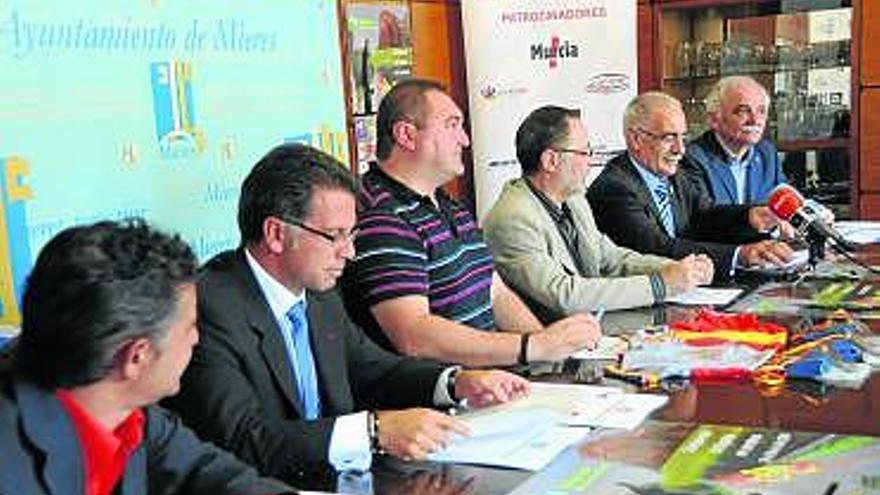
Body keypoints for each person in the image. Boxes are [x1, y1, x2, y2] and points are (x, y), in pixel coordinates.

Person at [165, 143, 529, 488]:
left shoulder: (320, 294)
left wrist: (455, 382)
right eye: (334, 235)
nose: (350, 252)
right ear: (276, 234)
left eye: (351, 234)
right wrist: (373, 431)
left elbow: (373, 369)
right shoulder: (209, 308)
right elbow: (244, 439)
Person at [0, 220, 293, 495]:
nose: (197, 339)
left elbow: (211, 474)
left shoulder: (135, 414)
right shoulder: (11, 467)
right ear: (136, 357)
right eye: (190, 327)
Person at [342, 78, 601, 367]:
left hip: (495, 384)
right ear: (406, 135)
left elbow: (495, 292)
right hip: (443, 398)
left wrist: (551, 356)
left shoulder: (448, 204)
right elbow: (414, 335)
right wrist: (532, 346)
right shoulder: (380, 218)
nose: (465, 140)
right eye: (452, 125)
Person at [482, 105, 714, 323]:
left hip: (592, 331)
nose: (590, 162)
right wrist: (661, 284)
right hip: (550, 346)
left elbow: (611, 259)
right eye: (584, 152)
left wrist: (680, 269)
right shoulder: (512, 218)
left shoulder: (574, 200)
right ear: (551, 160)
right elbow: (565, 295)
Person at [587, 92, 793, 278]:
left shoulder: (675, 175)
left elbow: (704, 216)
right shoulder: (614, 189)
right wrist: (737, 255)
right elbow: (656, 248)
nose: (680, 150)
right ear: (635, 140)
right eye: (669, 138)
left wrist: (750, 217)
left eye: (682, 137)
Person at [684, 76, 786, 205]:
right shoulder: (693, 158)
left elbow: (787, 204)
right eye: (743, 111)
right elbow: (702, 215)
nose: (755, 120)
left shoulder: (766, 153)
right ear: (714, 119)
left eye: (761, 111)